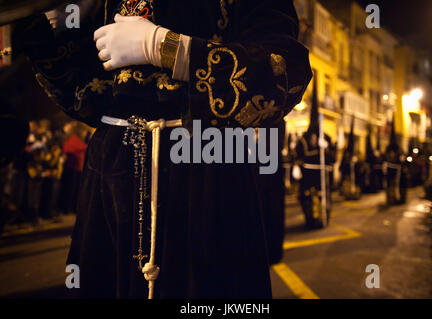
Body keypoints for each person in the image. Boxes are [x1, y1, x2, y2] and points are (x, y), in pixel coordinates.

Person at [18, 0, 312, 298]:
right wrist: (50, 33)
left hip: (209, 164)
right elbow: (86, 96)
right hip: (113, 167)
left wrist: (168, 48)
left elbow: (285, 71)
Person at [295, 77, 334, 229]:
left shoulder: (326, 138)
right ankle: (310, 219)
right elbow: (298, 155)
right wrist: (297, 166)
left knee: (323, 197)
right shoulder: (303, 139)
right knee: (307, 198)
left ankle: (322, 218)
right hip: (307, 175)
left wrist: (327, 148)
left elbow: (331, 158)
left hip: (321, 175)